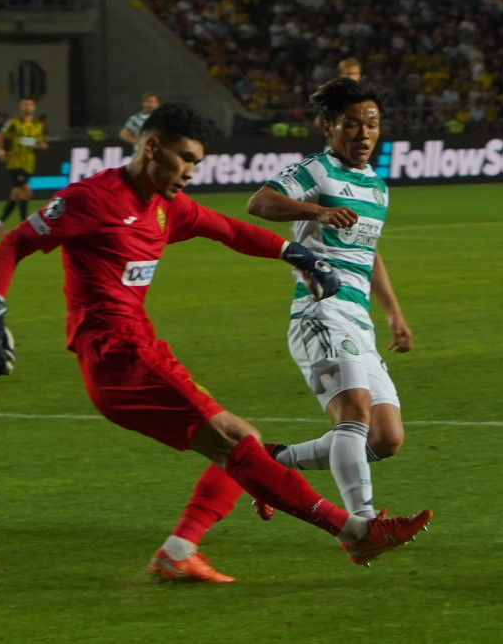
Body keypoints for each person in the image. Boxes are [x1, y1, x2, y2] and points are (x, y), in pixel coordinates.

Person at [0, 102, 431, 584]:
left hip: (140, 349)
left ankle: (179, 550)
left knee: (239, 443)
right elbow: (14, 243)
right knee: (238, 443)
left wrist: (298, 254)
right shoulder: (93, 198)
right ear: (153, 148)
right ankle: (357, 532)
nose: (191, 172)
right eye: (185, 159)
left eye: (197, 161)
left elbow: (229, 230)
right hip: (117, 355)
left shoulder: (165, 206)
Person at [153, 79, 415, 560]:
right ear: (328, 126)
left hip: (358, 319)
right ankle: (364, 527)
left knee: (386, 437)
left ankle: (272, 462)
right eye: (352, 123)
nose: (363, 133)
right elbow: (259, 202)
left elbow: (369, 252)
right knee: (354, 412)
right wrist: (317, 210)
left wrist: (394, 312)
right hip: (320, 311)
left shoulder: (377, 188)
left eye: (372, 124)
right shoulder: (316, 170)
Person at [0, 97, 48, 236]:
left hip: (28, 164)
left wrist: (41, 145)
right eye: (25, 104)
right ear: (20, 107)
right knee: (26, 192)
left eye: (30, 104)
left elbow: (38, 142)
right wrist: (0, 150)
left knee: (17, 195)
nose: (27, 107)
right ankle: (25, 227)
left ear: (34, 108)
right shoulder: (14, 123)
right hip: (15, 163)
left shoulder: (38, 125)